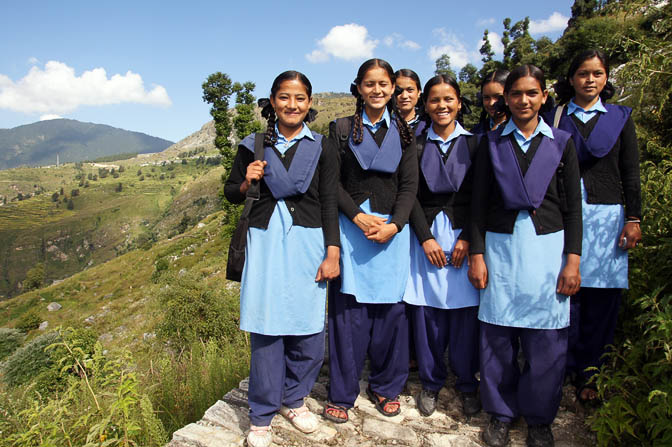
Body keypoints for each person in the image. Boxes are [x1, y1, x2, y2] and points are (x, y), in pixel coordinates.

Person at [224, 71, 340, 447]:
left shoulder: (322, 146)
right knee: (268, 326)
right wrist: (247, 181)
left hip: (309, 241)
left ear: (309, 104)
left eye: (300, 98)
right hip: (266, 240)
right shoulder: (253, 145)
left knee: (308, 328)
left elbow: (329, 202)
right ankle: (260, 414)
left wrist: (332, 251)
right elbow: (230, 192)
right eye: (285, 97)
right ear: (272, 102)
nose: (293, 105)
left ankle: (294, 398)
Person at [469, 65, 582, 447]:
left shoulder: (561, 142)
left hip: (548, 249)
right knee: (498, 338)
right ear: (506, 99)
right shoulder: (492, 142)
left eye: (531, 93)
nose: (523, 100)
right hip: (501, 249)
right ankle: (500, 413)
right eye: (516, 94)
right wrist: (477, 254)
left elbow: (573, 209)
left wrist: (573, 260)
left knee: (546, 340)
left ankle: (538, 419)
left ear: (544, 96)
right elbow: (478, 204)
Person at [323, 58, 418, 424]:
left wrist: (394, 225)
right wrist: (358, 216)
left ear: (393, 88)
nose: (377, 90)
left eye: (383, 84)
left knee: (391, 314)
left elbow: (410, 186)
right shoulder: (342, 129)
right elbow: (332, 183)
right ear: (359, 88)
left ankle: (386, 386)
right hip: (352, 229)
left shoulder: (405, 133)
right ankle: (342, 394)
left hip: (393, 230)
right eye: (369, 84)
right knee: (349, 316)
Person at [545, 49, 642, 404]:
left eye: (597, 74)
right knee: (564, 296)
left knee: (601, 298)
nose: (590, 80)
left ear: (605, 79)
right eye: (583, 73)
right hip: (562, 215)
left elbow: (630, 172)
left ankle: (591, 373)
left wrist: (634, 218)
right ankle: (560, 367)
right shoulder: (555, 117)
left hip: (606, 217)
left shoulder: (620, 118)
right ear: (571, 79)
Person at [403, 74, 481, 418]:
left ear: (459, 103)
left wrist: (469, 238)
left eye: (448, 99)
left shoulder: (477, 144)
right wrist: (425, 237)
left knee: (465, 314)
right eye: (434, 100)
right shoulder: (415, 144)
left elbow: (483, 197)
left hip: (465, 237)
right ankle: (432, 383)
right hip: (428, 236)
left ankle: (467, 383)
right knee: (428, 313)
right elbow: (410, 194)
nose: (442, 106)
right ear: (426, 104)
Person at [472, 69, 509, 135]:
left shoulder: (522, 128)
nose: (491, 103)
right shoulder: (475, 133)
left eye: (498, 97)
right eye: (486, 97)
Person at [395, 68, 426, 135]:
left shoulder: (428, 125)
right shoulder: (385, 125)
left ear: (419, 92)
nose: (404, 96)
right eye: (399, 90)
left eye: (410, 90)